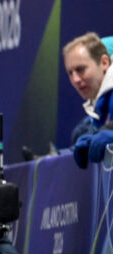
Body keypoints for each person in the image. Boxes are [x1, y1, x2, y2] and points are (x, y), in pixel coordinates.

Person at [65, 33, 113, 168]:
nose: (76, 80)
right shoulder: (100, 104)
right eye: (70, 73)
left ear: (104, 62)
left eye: (81, 69)